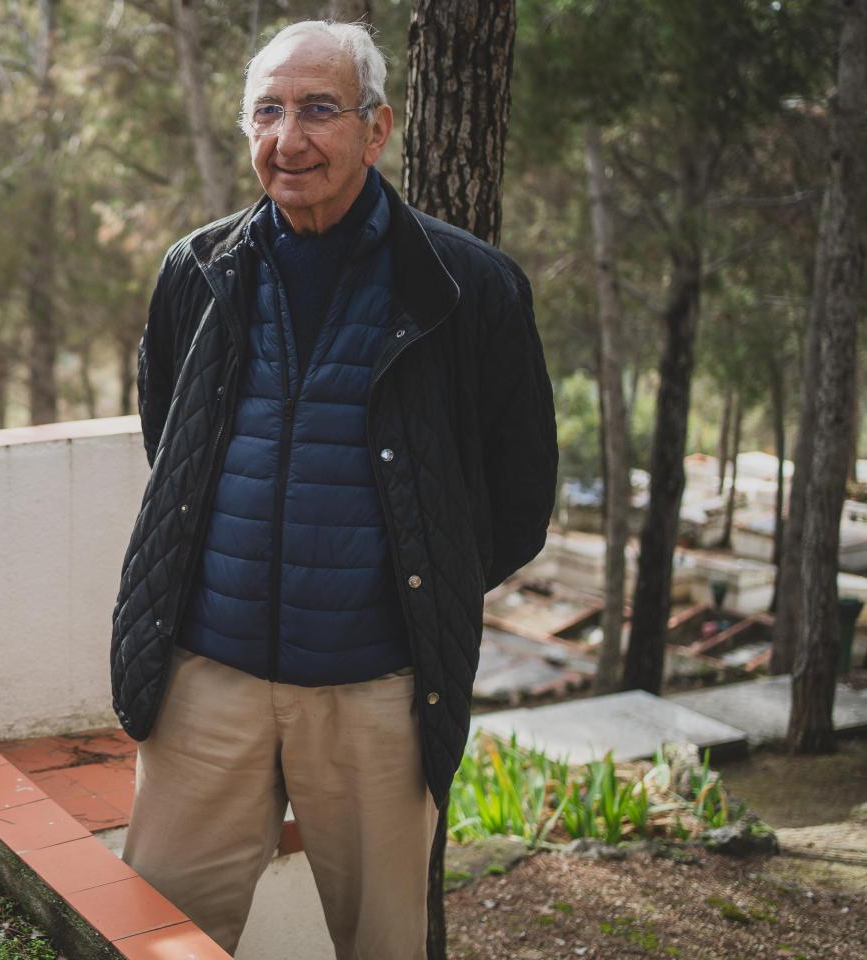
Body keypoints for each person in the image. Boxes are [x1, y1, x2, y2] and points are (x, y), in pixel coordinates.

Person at [108, 19, 557, 960]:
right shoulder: (197, 270)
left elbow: (518, 497)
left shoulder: (466, 286)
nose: (289, 138)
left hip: (376, 697)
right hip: (206, 687)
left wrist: (416, 590)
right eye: (267, 112)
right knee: (154, 939)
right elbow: (171, 445)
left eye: (319, 109)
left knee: (383, 946)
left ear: (376, 128)